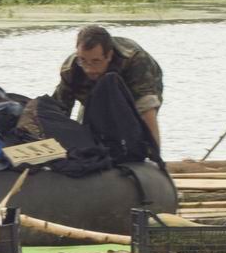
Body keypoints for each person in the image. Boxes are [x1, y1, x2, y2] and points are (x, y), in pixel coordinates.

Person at [52, 24, 164, 156]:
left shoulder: (135, 61)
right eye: (83, 60)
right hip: (92, 95)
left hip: (134, 92)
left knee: (134, 131)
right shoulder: (71, 70)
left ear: (109, 55)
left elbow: (146, 110)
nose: (89, 69)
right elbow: (59, 113)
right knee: (89, 132)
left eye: (96, 61)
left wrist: (155, 158)